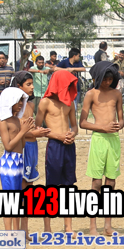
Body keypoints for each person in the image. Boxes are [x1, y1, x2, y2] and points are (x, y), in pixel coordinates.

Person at [80, 61, 124, 236]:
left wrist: (119, 125)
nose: (107, 82)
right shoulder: (91, 94)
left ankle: (108, 225)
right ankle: (93, 225)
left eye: (110, 79)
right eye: (105, 79)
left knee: (111, 182)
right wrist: (102, 128)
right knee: (96, 182)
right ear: (98, 78)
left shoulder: (117, 94)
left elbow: (121, 119)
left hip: (113, 139)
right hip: (98, 138)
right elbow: (83, 122)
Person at [37, 69, 80, 234]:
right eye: (66, 85)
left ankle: (68, 227)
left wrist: (72, 134)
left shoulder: (70, 103)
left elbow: (74, 126)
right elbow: (37, 127)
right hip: (54, 146)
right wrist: (58, 136)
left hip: (69, 146)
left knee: (68, 186)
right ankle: (47, 228)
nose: (68, 88)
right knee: (51, 188)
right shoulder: (45, 102)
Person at [0, 86, 34, 231]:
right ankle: (8, 234)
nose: (21, 104)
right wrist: (22, 131)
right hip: (9, 162)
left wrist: (24, 131)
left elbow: (22, 145)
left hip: (19, 161)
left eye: (22, 101)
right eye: (18, 101)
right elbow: (8, 146)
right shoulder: (3, 121)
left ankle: (16, 232)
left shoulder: (17, 120)